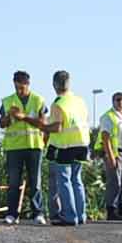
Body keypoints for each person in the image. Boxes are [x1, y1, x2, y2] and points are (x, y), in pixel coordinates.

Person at [0, 71, 50, 225]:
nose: (19, 91)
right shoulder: (8, 101)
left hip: (34, 146)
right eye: (17, 87)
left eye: (22, 88)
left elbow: (43, 124)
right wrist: (9, 116)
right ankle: (12, 214)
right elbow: (1, 123)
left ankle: (38, 213)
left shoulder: (38, 100)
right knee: (13, 183)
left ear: (28, 84)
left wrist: (23, 117)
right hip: (14, 147)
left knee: (35, 182)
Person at [42, 71, 92, 226]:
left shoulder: (58, 103)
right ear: (69, 84)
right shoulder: (80, 101)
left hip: (65, 145)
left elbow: (57, 127)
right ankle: (81, 214)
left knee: (64, 180)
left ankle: (69, 215)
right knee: (77, 179)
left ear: (54, 85)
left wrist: (43, 126)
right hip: (82, 143)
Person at [93, 92, 122, 220]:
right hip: (115, 152)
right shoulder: (108, 117)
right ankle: (112, 209)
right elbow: (105, 138)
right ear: (113, 101)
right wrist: (111, 156)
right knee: (115, 182)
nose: (121, 102)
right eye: (118, 100)